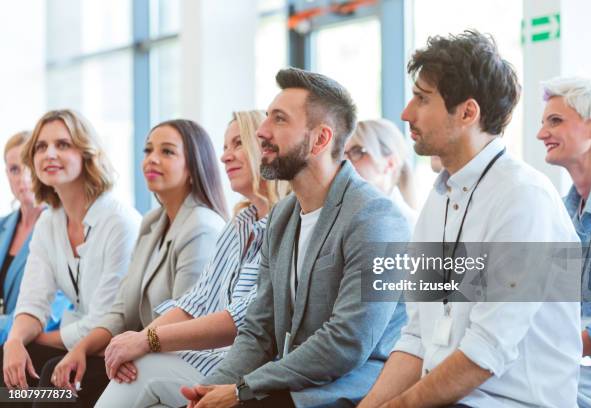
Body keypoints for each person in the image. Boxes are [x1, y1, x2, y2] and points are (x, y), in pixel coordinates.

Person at [359, 30, 581, 408]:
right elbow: (416, 337)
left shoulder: (523, 198)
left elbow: (486, 351)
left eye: (422, 99)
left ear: (467, 112)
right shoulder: (441, 197)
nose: (406, 113)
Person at [180, 68, 409, 408]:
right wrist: (211, 388)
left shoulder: (376, 218)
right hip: (287, 383)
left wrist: (243, 388)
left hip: (347, 390)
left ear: (320, 139)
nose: (261, 132)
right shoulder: (283, 216)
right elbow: (258, 331)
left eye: (279, 120)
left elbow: (347, 343)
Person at [93, 110, 289, 408]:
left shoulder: (279, 226)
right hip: (201, 360)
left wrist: (144, 343)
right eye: (224, 147)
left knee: (141, 372)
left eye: (237, 144)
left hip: (243, 373)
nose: (225, 156)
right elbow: (195, 302)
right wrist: (135, 343)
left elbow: (241, 320)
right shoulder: (239, 223)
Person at [33, 119, 227, 407]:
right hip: (142, 349)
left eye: (167, 152)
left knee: (55, 378)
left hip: (177, 358)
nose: (152, 159)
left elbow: (188, 316)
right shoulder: (151, 223)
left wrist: (131, 348)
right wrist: (82, 348)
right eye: (148, 150)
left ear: (193, 167)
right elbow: (122, 309)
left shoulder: (202, 227)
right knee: (56, 370)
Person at [1, 110, 141, 394]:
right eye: (41, 147)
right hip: (76, 344)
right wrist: (15, 341)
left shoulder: (119, 220)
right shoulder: (49, 221)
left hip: (117, 354)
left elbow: (108, 319)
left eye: (62, 145)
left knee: (47, 374)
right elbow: (33, 302)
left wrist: (36, 338)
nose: (49, 153)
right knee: (8, 362)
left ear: (86, 153)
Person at [537, 76, 591, 408]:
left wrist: (552, 351)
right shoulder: (568, 212)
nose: (541, 134)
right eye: (543, 122)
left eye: (555, 121)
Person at [0, 131, 71, 345]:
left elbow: (49, 311)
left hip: (34, 347)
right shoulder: (2, 226)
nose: (22, 178)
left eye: (29, 168)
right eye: (14, 170)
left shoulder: (63, 228)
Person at [344, 118, 418, 227]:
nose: (345, 161)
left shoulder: (409, 225)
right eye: (342, 154)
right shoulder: (344, 215)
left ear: (390, 163)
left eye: (357, 152)